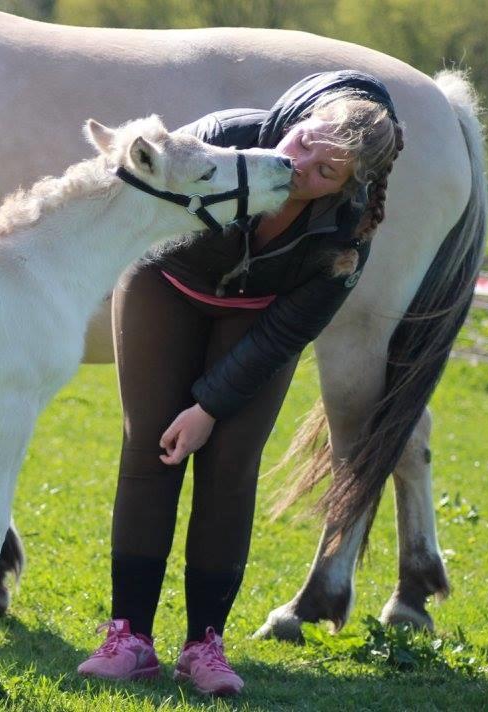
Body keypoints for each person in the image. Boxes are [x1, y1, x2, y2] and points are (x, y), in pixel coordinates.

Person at [76, 70, 404, 696]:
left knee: (229, 465)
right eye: (305, 140)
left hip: (261, 324)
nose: (298, 163)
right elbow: (135, 198)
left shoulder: (349, 232)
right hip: (164, 284)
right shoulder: (226, 137)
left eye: (325, 172)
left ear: (351, 185)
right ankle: (129, 637)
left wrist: (208, 406)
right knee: (152, 448)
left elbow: (287, 333)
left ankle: (205, 646)